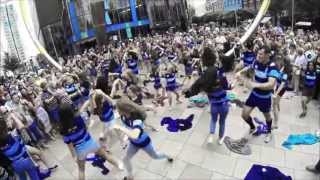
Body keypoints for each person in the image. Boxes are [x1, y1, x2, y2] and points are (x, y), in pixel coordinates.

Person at [59, 102, 123, 180]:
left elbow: (69, 144)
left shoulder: (62, 129)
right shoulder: (78, 118)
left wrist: (74, 156)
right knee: (106, 156)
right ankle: (120, 167)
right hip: (90, 143)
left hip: (80, 150)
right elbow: (85, 126)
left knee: (81, 170)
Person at [113, 98, 173, 180]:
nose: (117, 110)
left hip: (144, 142)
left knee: (155, 156)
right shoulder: (123, 115)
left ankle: (167, 156)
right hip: (133, 143)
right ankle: (130, 176)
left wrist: (121, 128)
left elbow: (135, 135)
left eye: (118, 109)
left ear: (124, 109)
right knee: (125, 159)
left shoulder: (136, 119)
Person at [184, 47, 231, 145]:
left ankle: (211, 135)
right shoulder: (220, 71)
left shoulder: (207, 73)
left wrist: (189, 93)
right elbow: (226, 86)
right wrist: (230, 86)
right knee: (222, 122)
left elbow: (199, 84)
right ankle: (220, 139)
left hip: (214, 103)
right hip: (224, 103)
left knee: (213, 119)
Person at [236, 46, 279, 143]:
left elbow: (271, 85)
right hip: (254, 95)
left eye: (260, 54)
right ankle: (252, 127)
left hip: (264, 98)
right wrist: (240, 72)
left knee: (267, 116)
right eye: (258, 54)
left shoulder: (272, 67)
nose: (258, 56)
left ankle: (269, 132)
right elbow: (249, 67)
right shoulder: (256, 61)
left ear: (267, 55)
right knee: (244, 115)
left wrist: (255, 84)